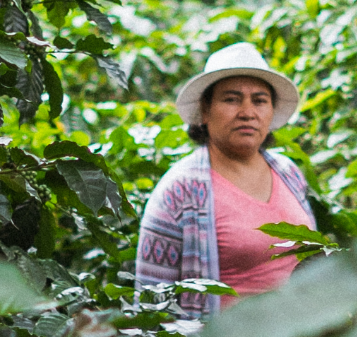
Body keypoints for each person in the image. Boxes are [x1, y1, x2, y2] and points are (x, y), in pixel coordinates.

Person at [135, 42, 315, 317]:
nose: (247, 112)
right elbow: (150, 302)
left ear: (271, 112)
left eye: (259, 101)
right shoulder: (180, 190)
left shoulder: (287, 172)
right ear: (205, 112)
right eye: (231, 99)